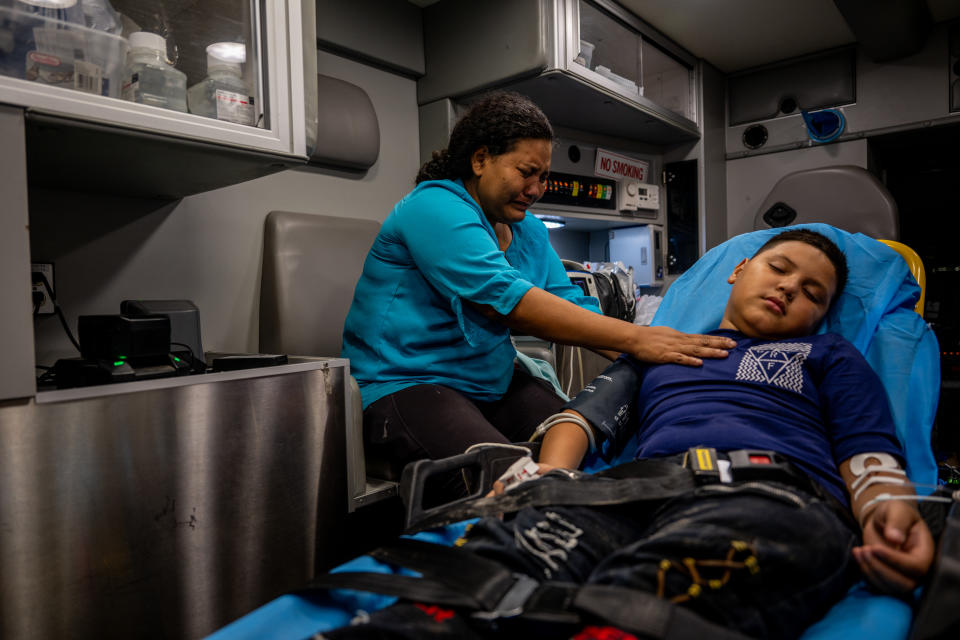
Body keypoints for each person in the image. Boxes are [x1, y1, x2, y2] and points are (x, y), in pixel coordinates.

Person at [326, 229, 935, 639]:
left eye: (812, 294)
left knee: (656, 590)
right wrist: (550, 479)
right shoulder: (658, 353)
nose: (788, 289)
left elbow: (868, 447)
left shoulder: (824, 354)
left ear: (822, 317)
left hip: (771, 496)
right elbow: (583, 420)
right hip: (631, 494)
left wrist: (887, 510)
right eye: (779, 269)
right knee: (506, 558)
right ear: (741, 270)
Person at [341, 91, 733, 484]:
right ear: (480, 160)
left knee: (585, 449)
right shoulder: (433, 207)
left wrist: (666, 359)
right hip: (407, 387)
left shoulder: (527, 228)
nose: (536, 187)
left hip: (489, 386)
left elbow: (569, 302)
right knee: (512, 480)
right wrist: (637, 340)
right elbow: (507, 302)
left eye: (543, 176)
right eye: (526, 171)